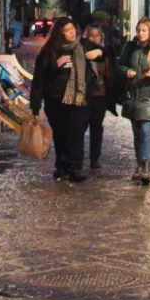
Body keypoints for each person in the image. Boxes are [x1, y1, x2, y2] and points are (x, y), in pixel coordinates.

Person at [30, 17, 96, 183]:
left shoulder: (82, 47)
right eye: (67, 30)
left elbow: (104, 53)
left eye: (72, 28)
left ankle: (76, 167)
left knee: (77, 133)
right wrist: (35, 107)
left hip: (78, 100)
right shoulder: (49, 52)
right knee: (60, 134)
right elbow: (39, 79)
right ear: (59, 33)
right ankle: (62, 166)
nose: (71, 32)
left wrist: (100, 52)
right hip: (55, 100)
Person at [117, 17, 150, 186]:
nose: (140, 34)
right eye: (138, 30)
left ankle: (146, 166)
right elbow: (120, 66)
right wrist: (127, 72)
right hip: (133, 96)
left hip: (148, 97)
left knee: (145, 131)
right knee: (137, 132)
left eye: (144, 31)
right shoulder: (130, 48)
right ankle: (139, 165)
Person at [82, 24, 117, 170]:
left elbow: (112, 70)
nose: (94, 38)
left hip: (100, 96)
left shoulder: (106, 53)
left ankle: (95, 158)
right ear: (86, 36)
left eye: (97, 35)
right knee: (81, 127)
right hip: (85, 96)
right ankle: (76, 159)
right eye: (91, 35)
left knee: (96, 128)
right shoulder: (83, 52)